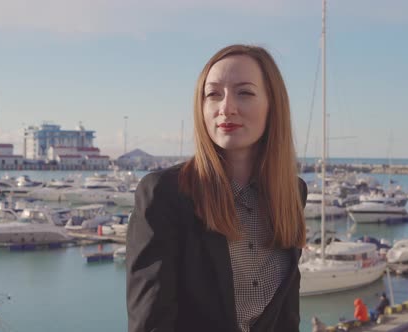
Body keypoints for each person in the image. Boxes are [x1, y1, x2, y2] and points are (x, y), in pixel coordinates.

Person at [126, 44, 307, 332]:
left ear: (273, 105)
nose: (226, 108)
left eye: (244, 93)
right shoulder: (164, 195)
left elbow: (287, 316)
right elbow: (151, 323)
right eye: (213, 94)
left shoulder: (292, 192)